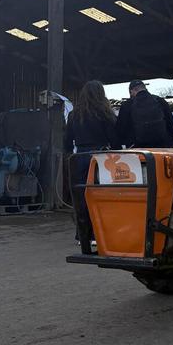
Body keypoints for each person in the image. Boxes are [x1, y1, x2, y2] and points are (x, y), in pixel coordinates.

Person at [65, 81, 120, 243]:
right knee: (100, 195)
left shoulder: (74, 115)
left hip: (80, 156)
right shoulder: (106, 114)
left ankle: (82, 235)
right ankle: (98, 234)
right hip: (101, 157)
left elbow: (67, 142)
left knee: (81, 196)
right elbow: (115, 140)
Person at [116, 80, 173, 148]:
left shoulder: (127, 105)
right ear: (145, 89)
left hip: (138, 149)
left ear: (131, 91)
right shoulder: (160, 101)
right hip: (162, 146)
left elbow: (121, 129)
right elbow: (171, 124)